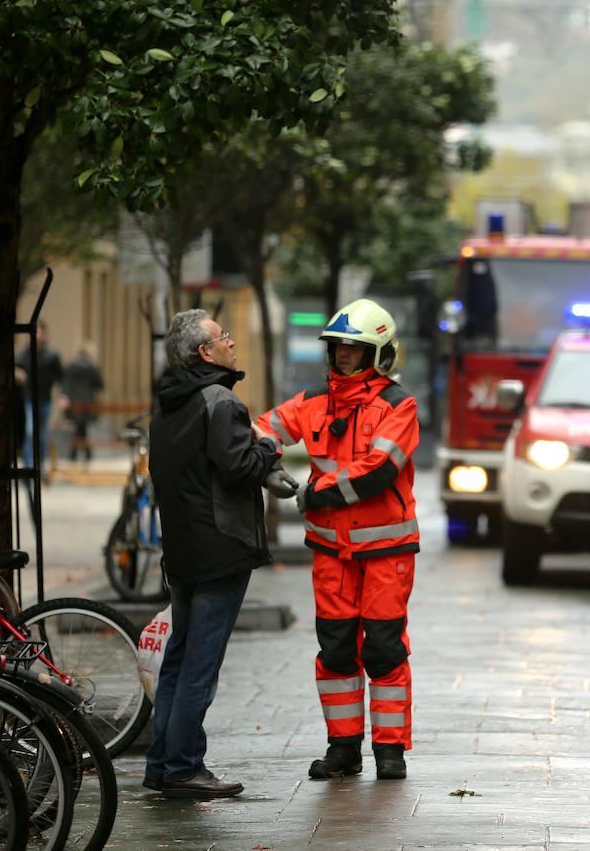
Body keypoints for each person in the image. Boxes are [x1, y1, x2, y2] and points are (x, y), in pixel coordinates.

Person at [256, 299, 420, 781]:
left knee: (384, 651)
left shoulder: (399, 405)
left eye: (355, 347)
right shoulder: (314, 402)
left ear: (378, 354)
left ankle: (390, 750)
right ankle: (343, 749)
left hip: (386, 552)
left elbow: (377, 470)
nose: (343, 354)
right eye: (338, 346)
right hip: (332, 552)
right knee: (336, 652)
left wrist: (313, 493)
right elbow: (261, 428)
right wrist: (267, 464)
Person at [144, 309, 283, 799]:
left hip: (182, 548)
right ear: (205, 352)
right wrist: (270, 449)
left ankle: (162, 764)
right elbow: (239, 466)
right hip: (221, 548)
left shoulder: (167, 403)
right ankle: (184, 767)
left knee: (178, 659)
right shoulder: (219, 401)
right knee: (200, 664)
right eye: (223, 336)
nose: (231, 342)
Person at [17, 320, 64, 470]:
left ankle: (40, 464)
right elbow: (16, 371)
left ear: (44, 335)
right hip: (28, 398)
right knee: (30, 431)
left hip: (45, 399)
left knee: (42, 433)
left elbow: (61, 377)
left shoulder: (52, 355)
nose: (36, 335)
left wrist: (62, 396)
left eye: (39, 332)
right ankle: (29, 465)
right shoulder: (23, 354)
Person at [60, 342, 104, 463]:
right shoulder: (93, 367)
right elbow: (100, 385)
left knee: (80, 427)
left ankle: (76, 453)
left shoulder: (71, 366)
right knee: (81, 427)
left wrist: (65, 396)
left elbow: (66, 384)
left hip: (74, 402)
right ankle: (83, 453)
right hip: (87, 402)